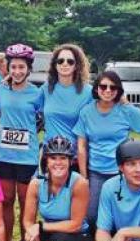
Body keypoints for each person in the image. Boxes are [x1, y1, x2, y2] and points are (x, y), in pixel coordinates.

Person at [73, 71, 140, 230]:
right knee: (92, 214)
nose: (108, 90)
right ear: (96, 89)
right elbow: (81, 146)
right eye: (103, 86)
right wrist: (84, 177)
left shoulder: (126, 110)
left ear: (118, 90)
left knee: (122, 214)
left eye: (113, 87)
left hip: (121, 172)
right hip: (96, 172)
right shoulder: (86, 112)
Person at [19, 136, 93, 241]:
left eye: (63, 158)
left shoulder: (79, 183)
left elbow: (75, 224)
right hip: (51, 232)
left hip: (77, 235)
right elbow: (28, 222)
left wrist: (42, 227)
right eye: (53, 157)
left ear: (70, 160)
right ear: (46, 159)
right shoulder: (36, 184)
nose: (58, 162)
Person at [0, 43, 42, 241]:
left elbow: (44, 117)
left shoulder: (37, 93)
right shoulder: (1, 88)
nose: (17, 71)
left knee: (26, 202)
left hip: (27, 156)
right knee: (6, 200)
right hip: (4, 155)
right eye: (13, 67)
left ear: (29, 69)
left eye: (22, 67)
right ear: (8, 67)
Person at [40, 44, 93, 172]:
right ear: (55, 64)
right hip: (50, 157)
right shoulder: (46, 89)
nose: (65, 64)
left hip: (74, 159)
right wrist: (11, 81)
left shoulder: (88, 92)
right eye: (60, 61)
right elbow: (25, 103)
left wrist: (120, 97)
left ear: (77, 65)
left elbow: (107, 103)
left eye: (70, 61)